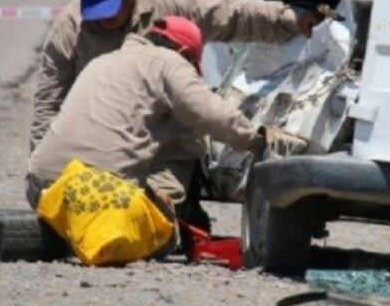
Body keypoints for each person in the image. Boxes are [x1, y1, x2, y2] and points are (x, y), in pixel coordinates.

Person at [30, 0, 318, 151]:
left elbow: (232, 15)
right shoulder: (71, 26)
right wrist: (42, 169)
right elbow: (48, 102)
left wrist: (291, 19)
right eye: (96, 12)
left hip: (163, 143)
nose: (103, 20)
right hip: (97, 137)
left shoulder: (172, 3)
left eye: (110, 10)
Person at [26, 16, 292, 212]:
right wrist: (255, 138)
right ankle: (168, 214)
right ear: (183, 53)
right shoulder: (171, 63)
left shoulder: (104, 61)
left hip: (43, 187)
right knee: (188, 135)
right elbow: (209, 113)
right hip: (101, 195)